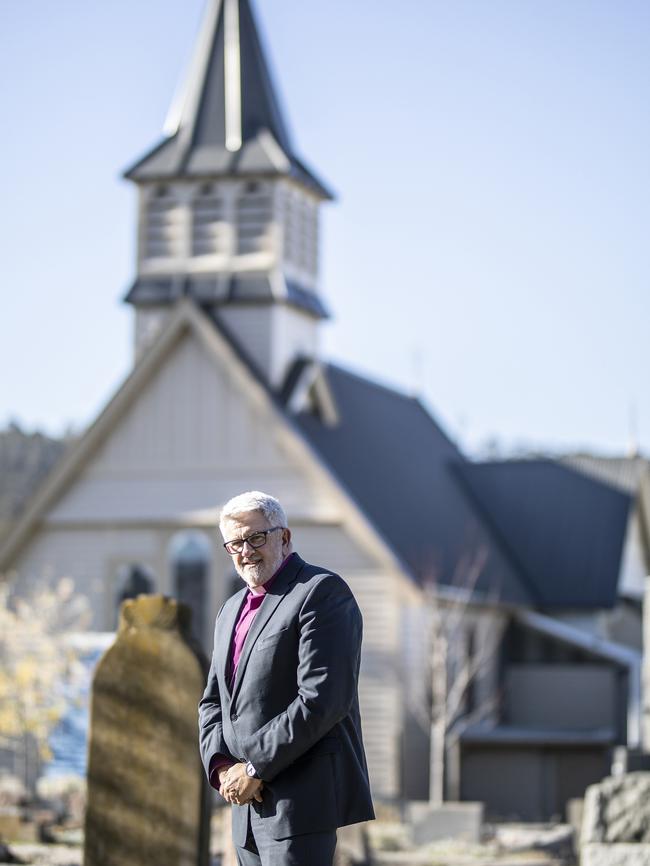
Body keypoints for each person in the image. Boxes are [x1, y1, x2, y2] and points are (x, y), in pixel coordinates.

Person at [198, 490, 374, 866]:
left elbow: (323, 699)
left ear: (285, 537)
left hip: (300, 804)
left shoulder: (320, 592)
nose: (245, 551)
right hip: (244, 807)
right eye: (234, 544)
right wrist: (222, 767)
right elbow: (214, 701)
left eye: (255, 538)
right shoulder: (230, 610)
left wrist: (254, 767)